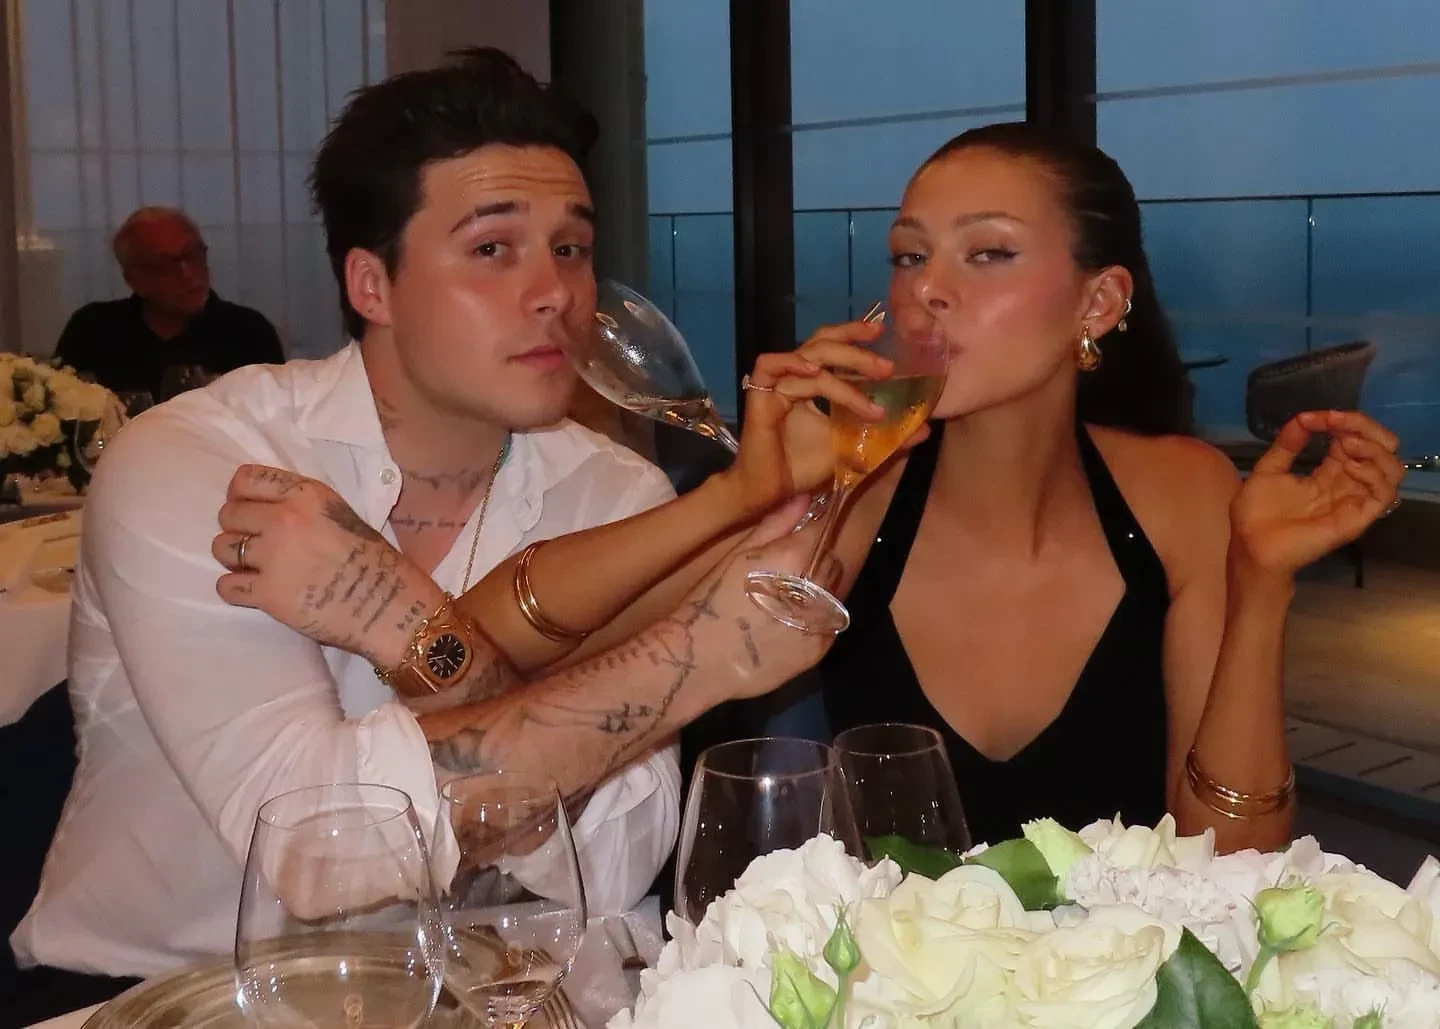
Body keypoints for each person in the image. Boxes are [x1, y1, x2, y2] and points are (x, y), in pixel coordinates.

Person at [5, 49, 867, 1019]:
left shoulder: (614, 490)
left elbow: (615, 859)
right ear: (371, 284)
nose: (555, 292)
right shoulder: (201, 462)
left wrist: (415, 628)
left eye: (572, 248)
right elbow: (316, 848)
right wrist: (703, 659)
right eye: (493, 249)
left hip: (489, 993)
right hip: (173, 995)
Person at [789, 123, 1405, 852]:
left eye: (988, 252)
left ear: (1100, 302)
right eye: (909, 255)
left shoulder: (1180, 496)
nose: (925, 289)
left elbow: (1237, 862)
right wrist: (754, 491)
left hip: (1134, 931)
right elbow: (688, 666)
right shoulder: (853, 490)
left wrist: (1261, 586)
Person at [52, 206, 284, 403]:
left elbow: (278, 418)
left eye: (193, 255)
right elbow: (60, 409)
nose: (187, 273)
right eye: (166, 264)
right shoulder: (93, 329)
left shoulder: (248, 332)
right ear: (134, 279)